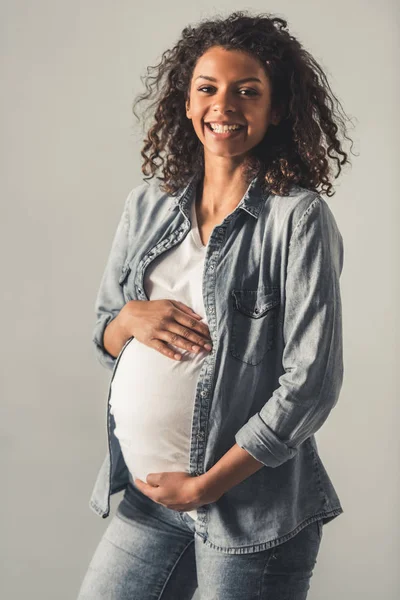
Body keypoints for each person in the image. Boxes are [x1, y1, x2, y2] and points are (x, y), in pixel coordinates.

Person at [77, 10, 353, 600]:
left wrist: (208, 485)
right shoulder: (147, 204)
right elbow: (106, 333)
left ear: (275, 109)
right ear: (186, 101)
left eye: (247, 91)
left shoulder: (296, 218)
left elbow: (311, 383)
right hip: (150, 497)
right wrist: (127, 320)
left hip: (251, 509)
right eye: (207, 88)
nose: (223, 105)